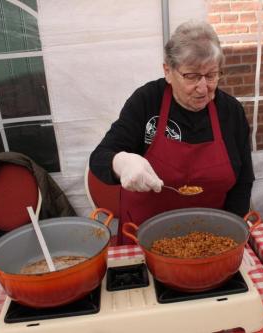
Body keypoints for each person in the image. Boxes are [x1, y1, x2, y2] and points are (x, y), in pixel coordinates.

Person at [89, 20, 254, 244]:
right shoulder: (147, 101)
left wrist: (232, 234)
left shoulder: (231, 111)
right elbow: (100, 158)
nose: (203, 87)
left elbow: (243, 180)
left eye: (212, 75)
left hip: (212, 238)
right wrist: (121, 162)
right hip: (144, 238)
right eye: (192, 76)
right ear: (168, 70)